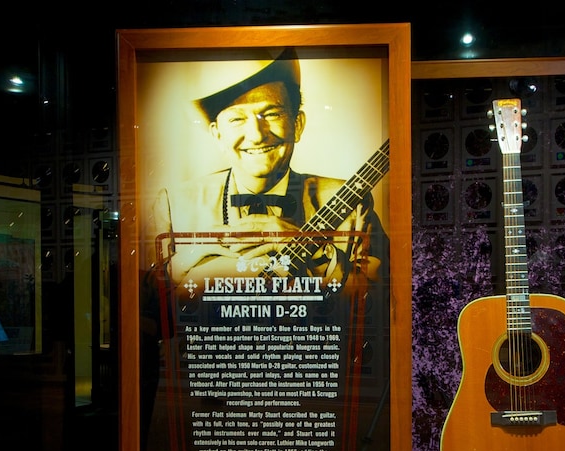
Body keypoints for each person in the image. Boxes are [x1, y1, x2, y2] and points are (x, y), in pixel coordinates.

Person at [142, 48, 388, 292]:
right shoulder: (175, 204)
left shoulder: (351, 203)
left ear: (297, 124)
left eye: (271, 114)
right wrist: (187, 260)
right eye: (237, 119)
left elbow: (378, 300)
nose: (257, 135)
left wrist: (319, 251)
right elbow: (148, 306)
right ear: (217, 135)